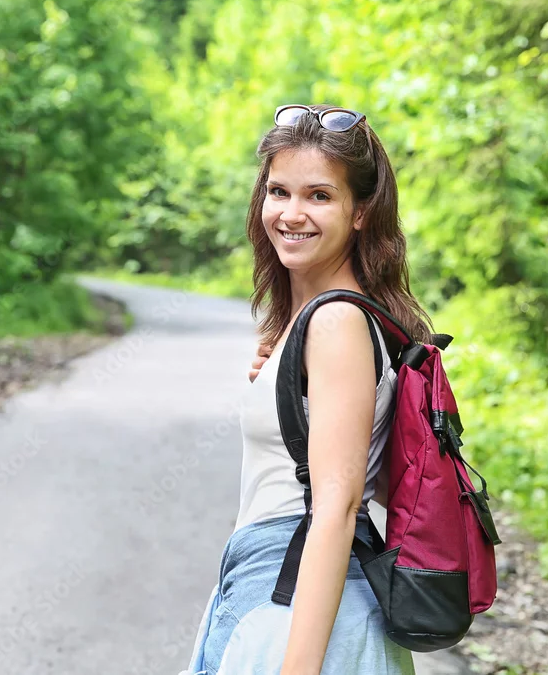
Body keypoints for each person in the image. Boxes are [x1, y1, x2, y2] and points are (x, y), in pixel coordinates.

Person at [181, 104, 434, 675]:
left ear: (361, 211)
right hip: (278, 590)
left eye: (319, 195)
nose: (291, 214)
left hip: (297, 606)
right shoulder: (325, 321)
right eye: (279, 192)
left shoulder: (337, 323)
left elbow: (337, 509)